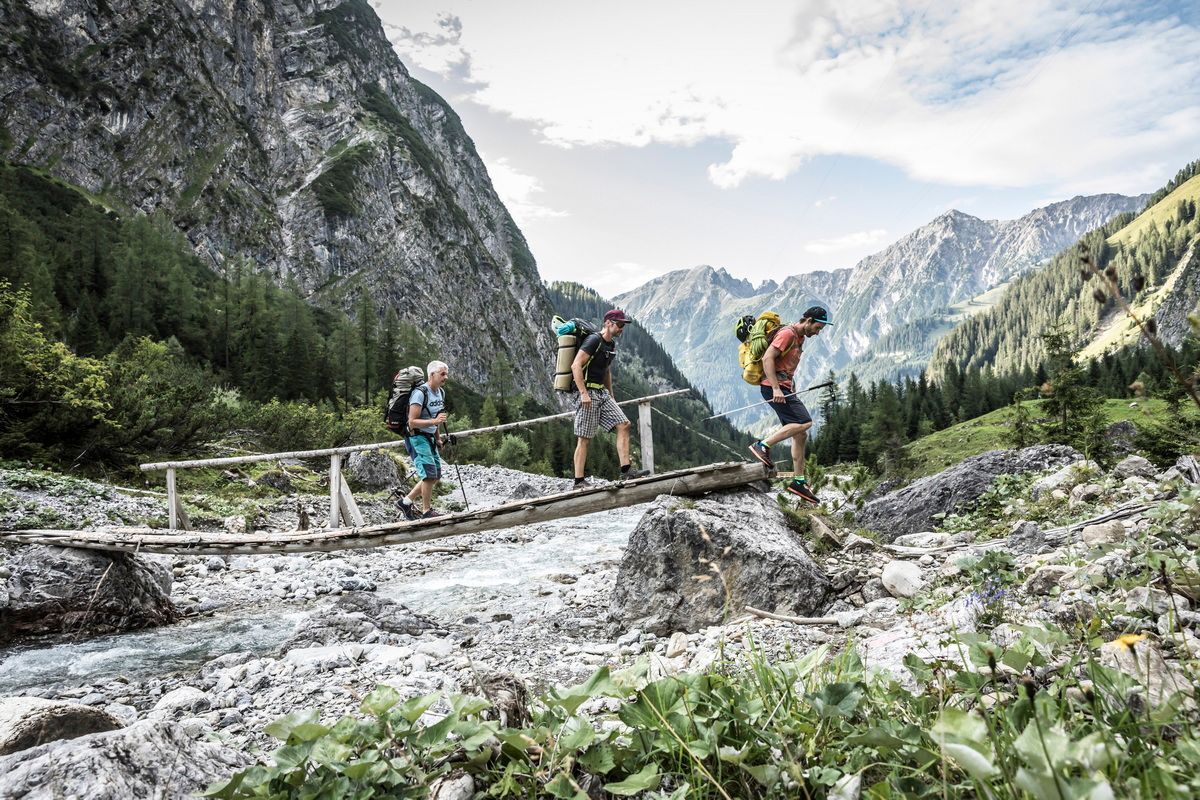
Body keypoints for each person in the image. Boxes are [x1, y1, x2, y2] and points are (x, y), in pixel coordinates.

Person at [746, 306, 833, 504]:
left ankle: (799, 481)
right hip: (773, 388)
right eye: (818, 327)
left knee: (800, 434)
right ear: (808, 320)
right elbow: (768, 358)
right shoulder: (787, 334)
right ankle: (761, 445)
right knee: (804, 422)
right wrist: (776, 389)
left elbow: (786, 366)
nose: (818, 332)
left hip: (785, 387)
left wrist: (788, 388)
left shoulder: (800, 338)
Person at [568, 309, 651, 487]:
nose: (622, 328)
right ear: (608, 323)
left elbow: (606, 371)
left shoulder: (610, 345)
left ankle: (627, 471)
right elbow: (575, 365)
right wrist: (583, 394)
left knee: (624, 424)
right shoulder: (593, 341)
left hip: (602, 393)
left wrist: (611, 395)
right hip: (588, 392)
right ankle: (578, 481)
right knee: (584, 438)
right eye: (620, 324)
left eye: (623, 325)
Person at [399, 361, 450, 520]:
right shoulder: (420, 393)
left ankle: (406, 502)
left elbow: (436, 416)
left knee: (434, 475)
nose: (445, 377)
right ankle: (426, 511)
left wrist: (438, 437)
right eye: (442, 374)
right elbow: (412, 421)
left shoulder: (440, 392)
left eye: (446, 374)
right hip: (417, 437)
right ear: (432, 374)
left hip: (430, 437)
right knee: (428, 475)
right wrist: (433, 422)